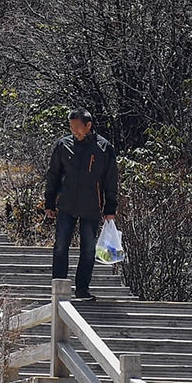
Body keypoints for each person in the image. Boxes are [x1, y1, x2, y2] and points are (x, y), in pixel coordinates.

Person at [42, 109, 119, 301]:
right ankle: (59, 288)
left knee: (88, 250)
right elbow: (53, 175)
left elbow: (111, 180)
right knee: (61, 246)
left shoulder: (104, 148)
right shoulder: (63, 145)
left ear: (88, 125)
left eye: (77, 127)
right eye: (71, 127)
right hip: (66, 205)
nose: (74, 130)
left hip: (92, 206)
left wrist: (110, 208)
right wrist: (49, 202)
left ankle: (82, 290)